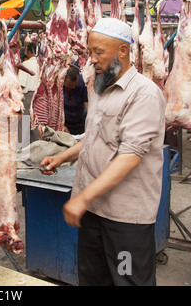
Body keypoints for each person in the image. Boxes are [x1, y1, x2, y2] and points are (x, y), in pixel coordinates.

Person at [40, 18, 166, 286]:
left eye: (99, 52)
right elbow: (95, 137)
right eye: (90, 52)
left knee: (127, 280)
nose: (92, 59)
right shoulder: (100, 87)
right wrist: (63, 156)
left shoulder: (144, 94)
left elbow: (130, 156)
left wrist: (82, 198)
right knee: (93, 279)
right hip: (94, 212)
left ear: (123, 51)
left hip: (125, 218)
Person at [18, 41, 41, 145]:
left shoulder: (26, 64)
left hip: (28, 98)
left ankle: (23, 154)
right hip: (40, 98)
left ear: (29, 52)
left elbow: (20, 84)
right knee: (37, 128)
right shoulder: (41, 63)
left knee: (24, 129)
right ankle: (39, 152)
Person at [63, 65, 88, 135]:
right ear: (63, 81)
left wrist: (90, 123)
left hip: (80, 120)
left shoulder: (82, 82)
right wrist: (62, 125)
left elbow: (87, 103)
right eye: (70, 85)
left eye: (75, 85)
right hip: (65, 121)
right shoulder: (58, 84)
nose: (73, 87)